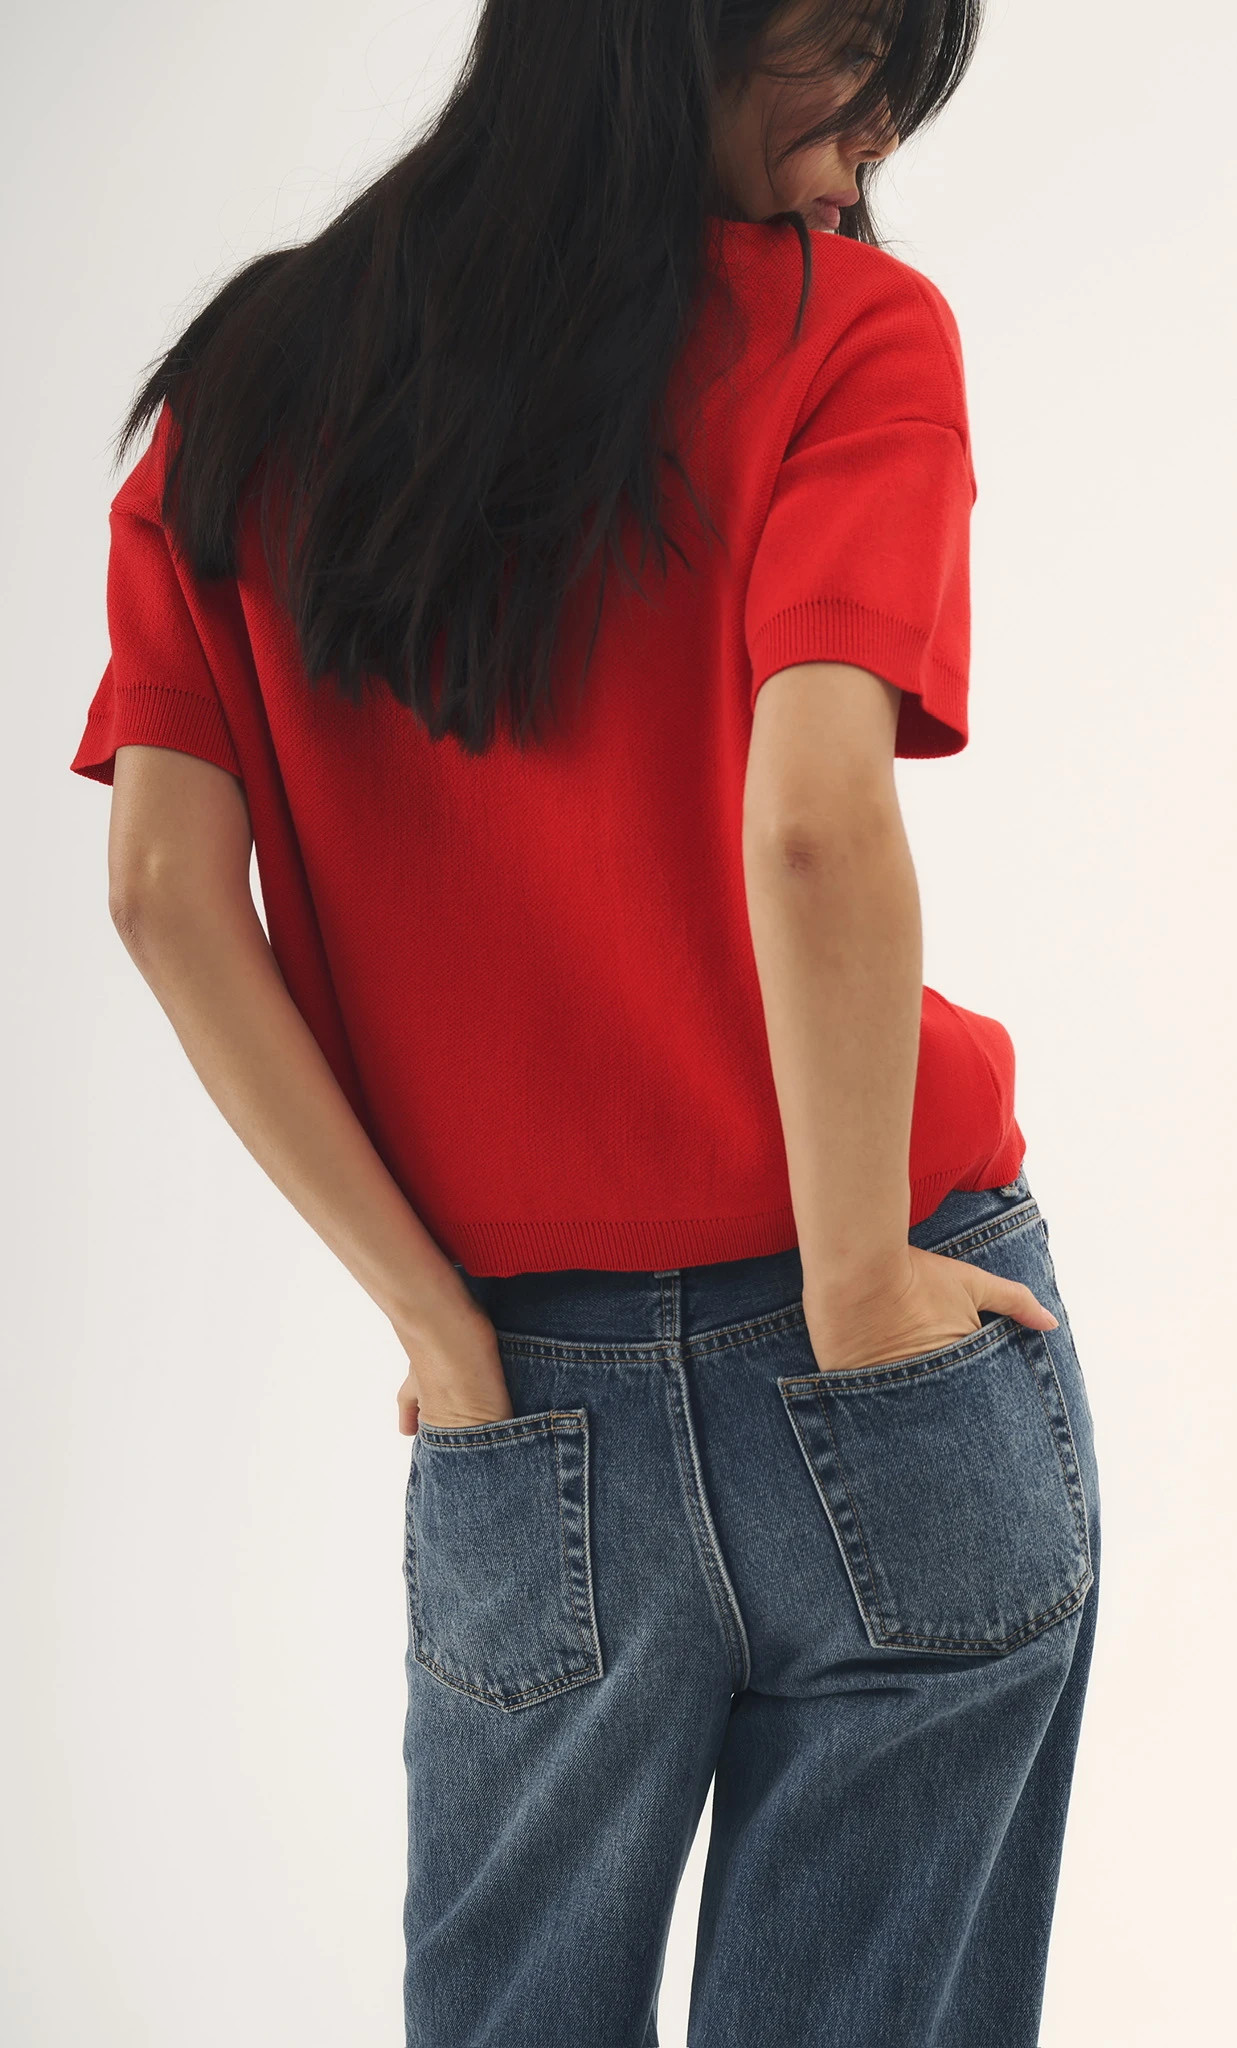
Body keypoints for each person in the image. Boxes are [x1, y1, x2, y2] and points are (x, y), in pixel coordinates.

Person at [68, 0, 1101, 2040]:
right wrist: (851, 1281)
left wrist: (438, 1327)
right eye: (864, 52)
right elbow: (813, 817)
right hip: (882, 1327)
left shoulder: (250, 389)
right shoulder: (848, 336)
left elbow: (164, 890)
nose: (882, 135)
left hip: (519, 1397)